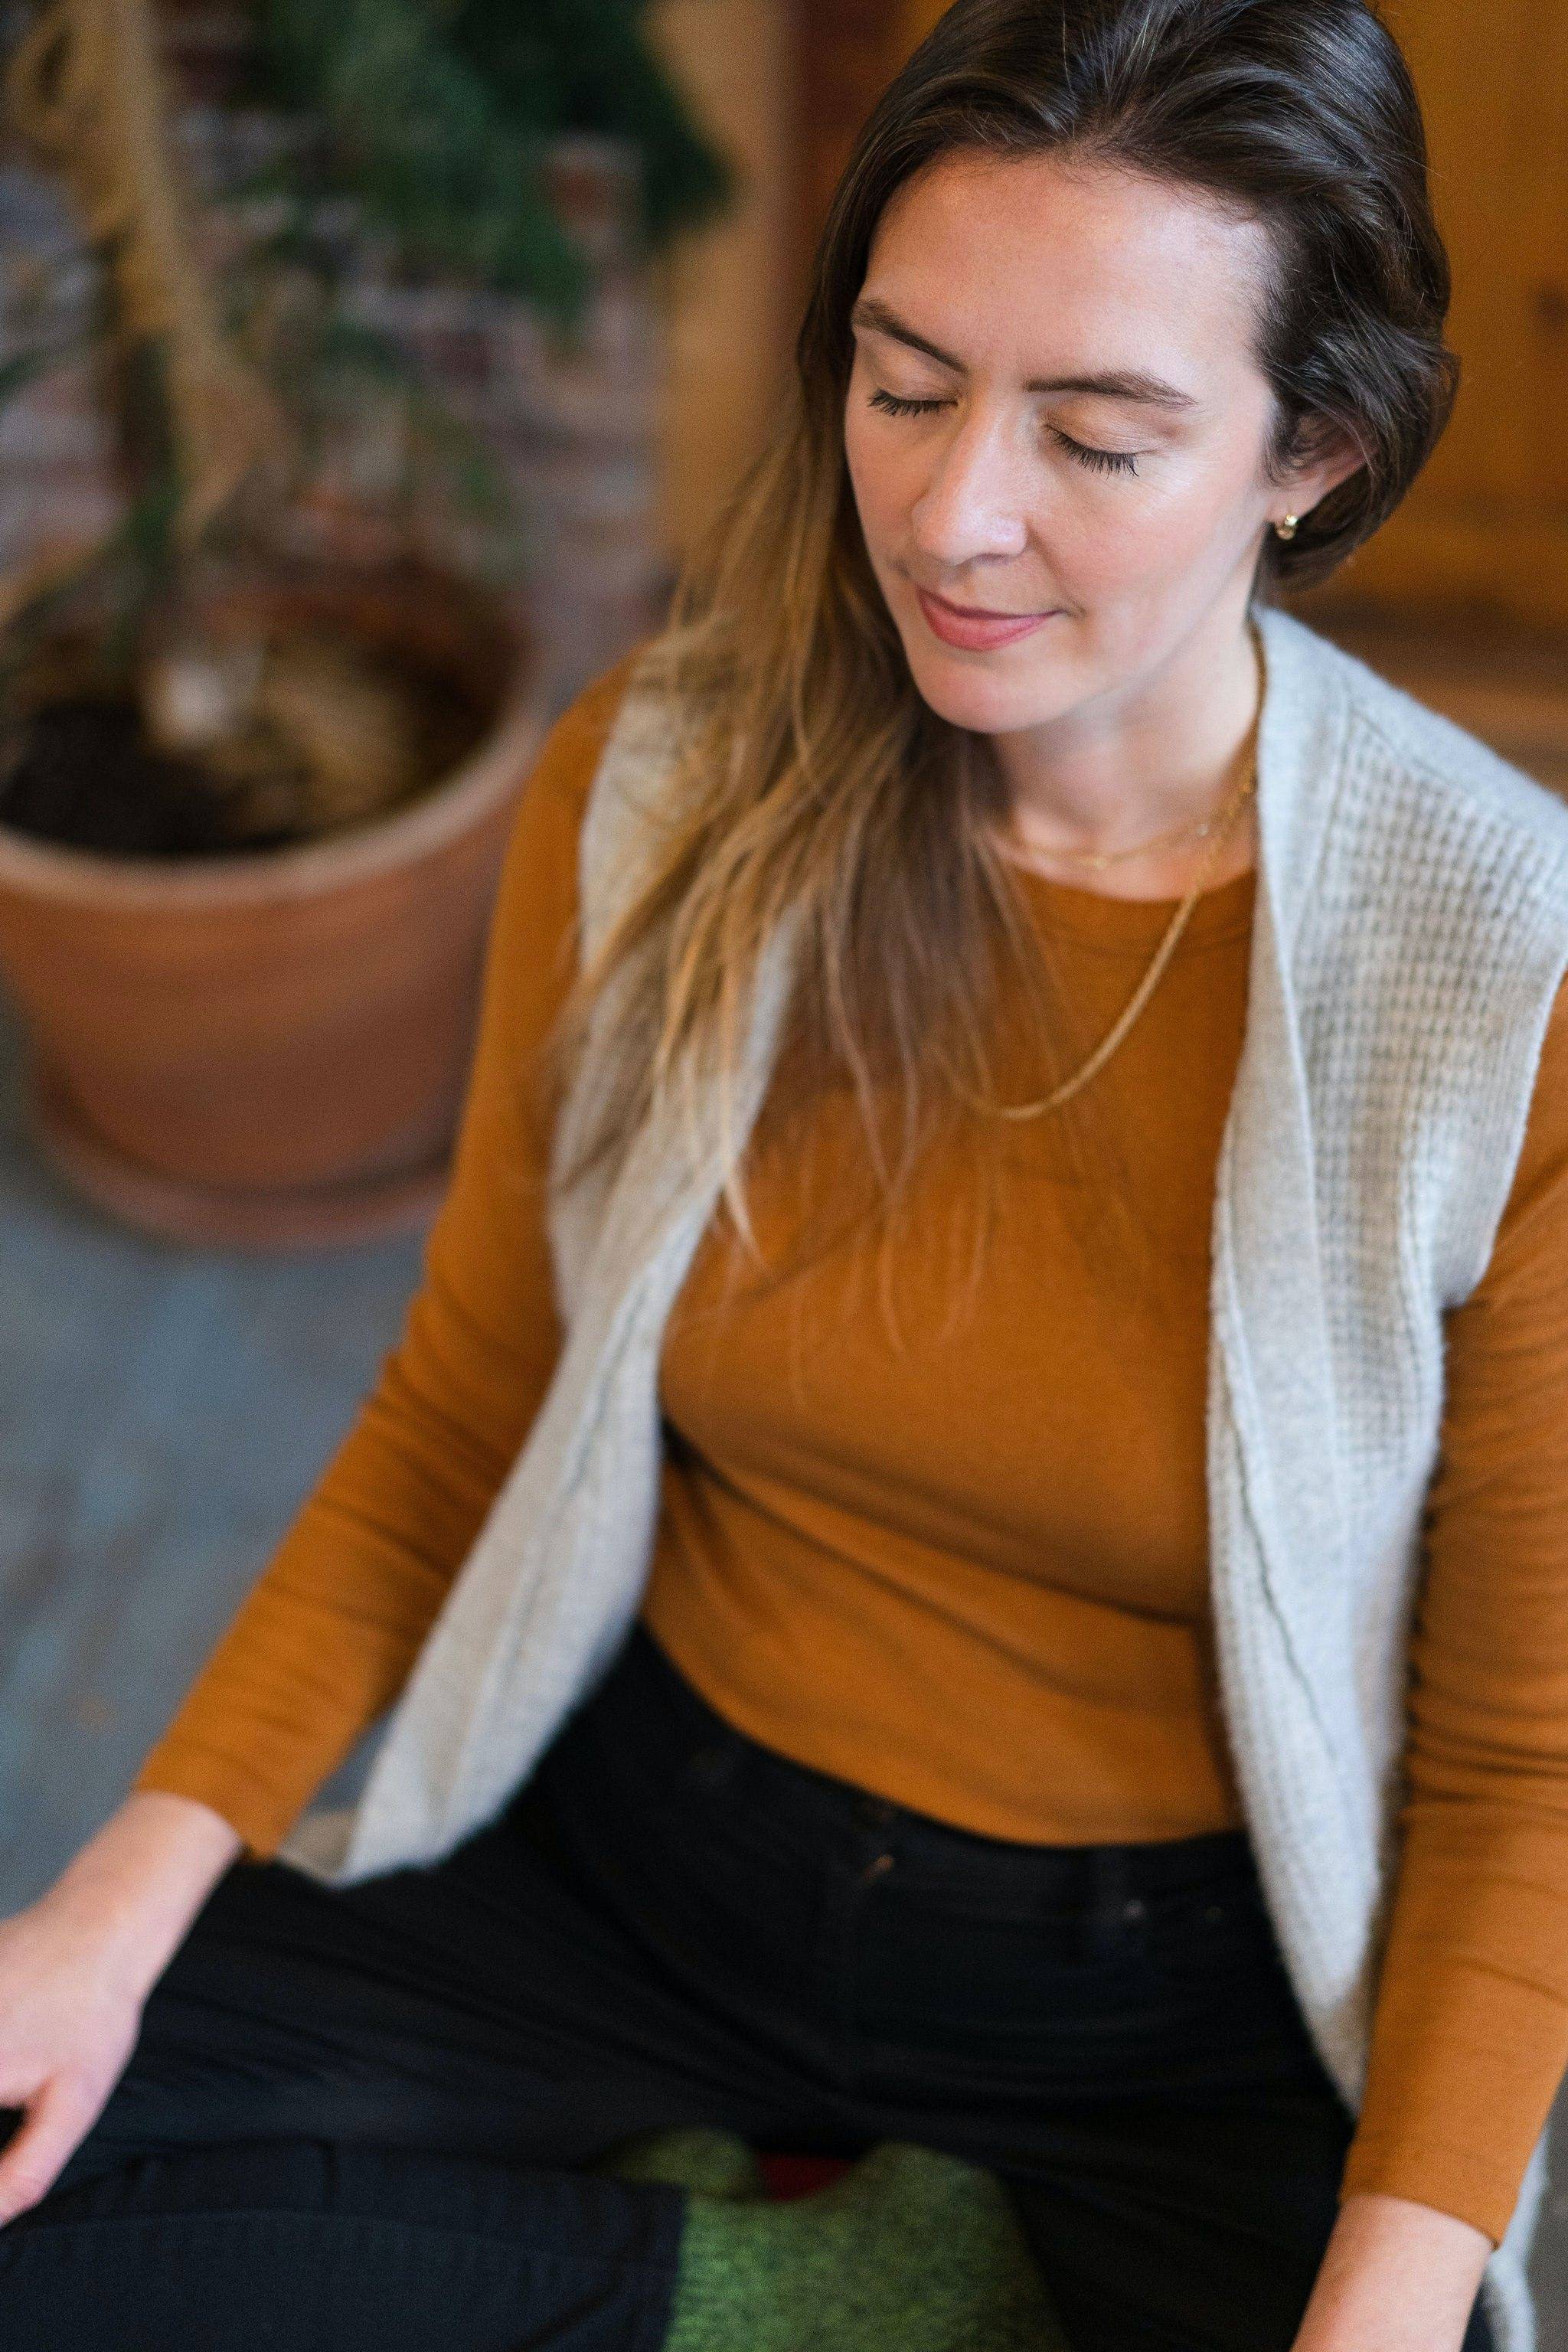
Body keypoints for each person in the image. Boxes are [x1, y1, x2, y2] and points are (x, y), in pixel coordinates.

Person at [2, 2, 1566, 2347]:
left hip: (1166, 1998)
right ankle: (802, 2288)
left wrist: (1387, 2311)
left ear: (1310, 458)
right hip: (643, 1853)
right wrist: (99, 1917)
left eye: (1096, 437)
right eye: (906, 384)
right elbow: (462, 1412)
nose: (951, 515)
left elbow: (1526, 1769)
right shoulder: (665, 785)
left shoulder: (1506, 971)